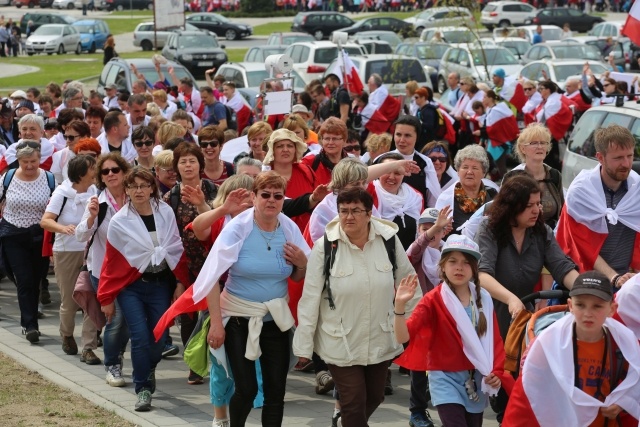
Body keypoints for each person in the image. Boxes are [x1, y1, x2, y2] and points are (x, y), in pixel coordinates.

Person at [294, 187, 420, 427]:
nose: (348, 217)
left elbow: (409, 284)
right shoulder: (324, 247)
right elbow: (309, 297)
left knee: (375, 396)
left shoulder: (389, 241)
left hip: (380, 336)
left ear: (369, 213)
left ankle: (342, 422)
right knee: (353, 401)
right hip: (339, 340)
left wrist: (417, 327)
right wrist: (304, 344)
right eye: (343, 211)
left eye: (355, 211)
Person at [193, 171, 310, 426]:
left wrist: (302, 264)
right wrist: (215, 324)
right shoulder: (238, 228)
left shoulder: (288, 228)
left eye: (277, 196)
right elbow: (211, 276)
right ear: (254, 197)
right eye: (265, 195)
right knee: (246, 389)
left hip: (275, 320)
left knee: (276, 391)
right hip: (237, 318)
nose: (271, 200)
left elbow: (301, 277)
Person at [394, 234, 514, 427]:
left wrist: (497, 371)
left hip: (476, 376)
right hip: (444, 377)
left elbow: (494, 340)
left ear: (475, 269)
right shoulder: (433, 299)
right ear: (442, 266)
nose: (459, 267)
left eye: (467, 262)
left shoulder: (483, 297)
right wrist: (399, 306)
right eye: (453, 261)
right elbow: (402, 337)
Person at [98, 167, 191, 412]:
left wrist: (180, 282)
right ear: (126, 190)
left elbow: (175, 247)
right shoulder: (120, 221)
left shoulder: (166, 212)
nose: (139, 190)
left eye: (143, 185)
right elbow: (112, 262)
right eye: (133, 186)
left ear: (152, 187)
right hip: (131, 287)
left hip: (161, 284)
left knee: (158, 339)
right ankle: (143, 390)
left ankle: (147, 368)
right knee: (140, 336)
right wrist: (106, 297)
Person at [503, 271, 640, 426]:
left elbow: (633, 384)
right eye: (580, 305)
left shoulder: (624, 345)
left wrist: (623, 403)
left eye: (597, 306)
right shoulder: (547, 345)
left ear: (612, 309)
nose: (588, 313)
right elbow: (526, 397)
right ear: (570, 306)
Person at [556, 124, 640, 284]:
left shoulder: (637, 189)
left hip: (627, 280)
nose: (626, 164)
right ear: (600, 158)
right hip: (585, 281)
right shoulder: (582, 192)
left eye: (629, 156)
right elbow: (581, 245)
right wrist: (613, 277)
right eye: (618, 158)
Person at [163, 142, 217, 385]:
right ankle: (194, 364)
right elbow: (167, 236)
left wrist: (201, 203)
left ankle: (215, 360)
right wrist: (175, 275)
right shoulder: (169, 197)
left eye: (192, 160)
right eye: (182, 161)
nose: (187, 165)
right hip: (184, 264)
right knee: (188, 316)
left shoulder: (214, 190)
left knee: (214, 313)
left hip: (213, 261)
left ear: (200, 164)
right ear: (176, 166)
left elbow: (219, 223)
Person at [76, 153, 131, 387]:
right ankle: (112, 365)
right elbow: (80, 235)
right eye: (105, 171)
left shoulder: (137, 197)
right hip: (103, 271)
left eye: (115, 170)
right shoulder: (98, 202)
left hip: (133, 271)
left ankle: (116, 354)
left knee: (130, 319)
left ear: (124, 172)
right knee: (115, 318)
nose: (110, 174)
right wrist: (91, 217)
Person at [41, 155, 100, 363]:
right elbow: (46, 221)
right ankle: (66, 334)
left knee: (91, 298)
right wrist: (63, 228)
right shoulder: (62, 193)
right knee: (69, 300)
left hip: (91, 251)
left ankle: (88, 346)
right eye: (93, 168)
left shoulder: (95, 192)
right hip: (66, 251)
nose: (96, 171)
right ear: (81, 173)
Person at [0, 141, 55, 343]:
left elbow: (56, 207)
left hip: (39, 236)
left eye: (33, 161)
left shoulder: (49, 179)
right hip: (13, 234)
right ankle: (30, 324)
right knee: (23, 279)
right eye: (25, 162)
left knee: (36, 279)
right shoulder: (7, 178)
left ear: (39, 159)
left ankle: (30, 319)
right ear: (18, 161)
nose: (30, 166)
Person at [504, 123, 563, 228]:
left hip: (551, 236)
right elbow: (504, 211)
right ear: (523, 149)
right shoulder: (513, 177)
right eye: (534, 143)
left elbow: (562, 211)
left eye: (543, 143)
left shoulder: (555, 175)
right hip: (521, 233)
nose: (540, 147)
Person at [435, 145, 498, 234]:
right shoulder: (446, 199)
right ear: (457, 171)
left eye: (475, 168)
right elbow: (437, 233)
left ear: (484, 173)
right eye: (465, 167)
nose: (469, 172)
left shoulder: (493, 195)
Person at [263, 129, 316, 232]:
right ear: (272, 151)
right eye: (280, 146)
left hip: (307, 233)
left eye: (290, 146)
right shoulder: (264, 177)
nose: (285, 149)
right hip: (276, 234)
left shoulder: (306, 171)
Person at [372, 152, 423, 249]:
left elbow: (421, 231)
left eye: (397, 173)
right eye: (387, 171)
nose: (391, 177)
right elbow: (355, 177)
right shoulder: (370, 191)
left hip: (407, 260)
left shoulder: (415, 196)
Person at [391, 115, 441, 207]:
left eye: (407, 135)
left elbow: (433, 198)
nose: (402, 140)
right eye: (398, 134)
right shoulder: (382, 159)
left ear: (417, 137)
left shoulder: (425, 162)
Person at [473, 90, 519, 179]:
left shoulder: (496, 110)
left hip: (498, 142)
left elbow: (494, 129)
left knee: (498, 165)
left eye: (485, 97)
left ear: (490, 98)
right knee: (494, 163)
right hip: (493, 142)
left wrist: (481, 133)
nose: (483, 99)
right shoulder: (491, 110)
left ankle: (505, 183)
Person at [301, 117, 349, 186]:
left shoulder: (352, 165)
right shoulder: (309, 162)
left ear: (344, 140)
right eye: (327, 138)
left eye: (335, 139)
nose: (330, 142)